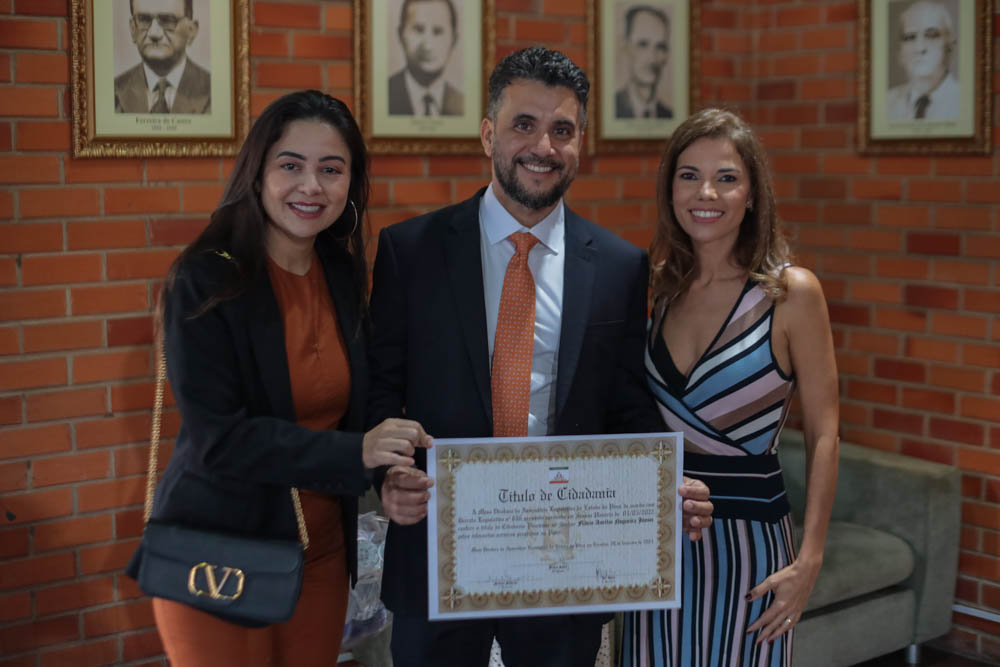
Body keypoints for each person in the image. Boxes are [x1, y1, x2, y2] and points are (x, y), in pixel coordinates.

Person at [367, 47, 714, 667]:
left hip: (565, 564)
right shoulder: (410, 252)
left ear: (580, 143)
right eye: (523, 125)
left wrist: (664, 483)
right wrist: (386, 480)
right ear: (488, 134)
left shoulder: (618, 266)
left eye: (562, 130)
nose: (543, 147)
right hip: (438, 552)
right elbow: (378, 392)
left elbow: (625, 403)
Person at [125, 90, 431, 666]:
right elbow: (219, 438)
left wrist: (388, 471)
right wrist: (358, 453)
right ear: (258, 172)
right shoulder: (206, 279)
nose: (311, 186)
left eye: (331, 169)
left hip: (321, 553)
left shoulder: (340, 271)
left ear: (351, 184)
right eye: (291, 165)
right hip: (222, 552)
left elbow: (355, 406)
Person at [618, 108, 839, 666]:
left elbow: (825, 432)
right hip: (661, 543)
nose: (706, 193)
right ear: (671, 189)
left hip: (752, 549)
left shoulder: (792, 293)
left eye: (727, 177)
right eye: (689, 175)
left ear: (752, 194)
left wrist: (810, 559)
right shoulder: (662, 290)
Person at [114, 0, 211, 114]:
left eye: (167, 20)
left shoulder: (216, 92)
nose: (154, 33)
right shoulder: (113, 92)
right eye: (144, 19)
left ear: (191, 31)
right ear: (132, 29)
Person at [886, 0, 959, 121]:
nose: (920, 48)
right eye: (910, 37)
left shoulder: (966, 101)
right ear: (900, 53)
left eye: (931, 35)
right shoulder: (885, 104)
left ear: (950, 47)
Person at [388, 0, 464, 116]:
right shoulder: (384, 96)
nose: (428, 46)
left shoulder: (461, 105)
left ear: (454, 39)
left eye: (438, 31)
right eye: (418, 29)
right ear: (400, 35)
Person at [615, 5, 673, 119]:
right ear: (626, 47)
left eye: (660, 46)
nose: (652, 58)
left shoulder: (668, 113)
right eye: (643, 44)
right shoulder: (614, 106)